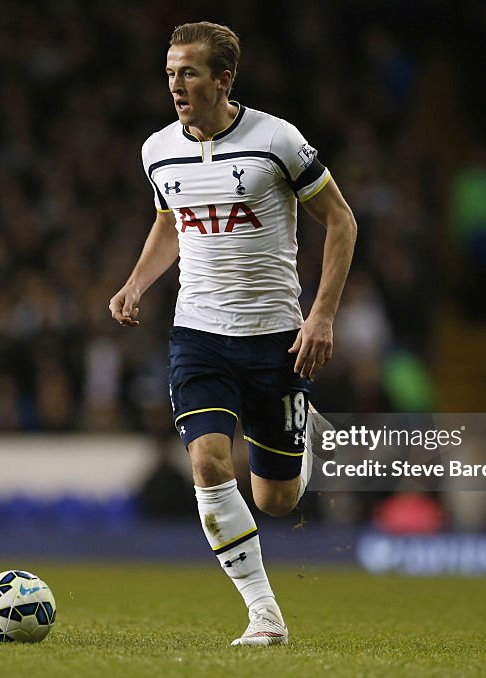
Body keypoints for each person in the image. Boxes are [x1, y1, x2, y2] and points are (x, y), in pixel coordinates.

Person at [109, 21, 357, 647]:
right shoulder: (157, 150)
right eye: (169, 73)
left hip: (275, 336)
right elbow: (171, 219)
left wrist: (322, 314)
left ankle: (305, 434)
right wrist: (137, 283)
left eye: (188, 73)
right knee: (207, 461)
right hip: (198, 334)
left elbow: (341, 221)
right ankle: (264, 616)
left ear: (224, 79)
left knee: (275, 500)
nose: (175, 85)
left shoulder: (278, 141)